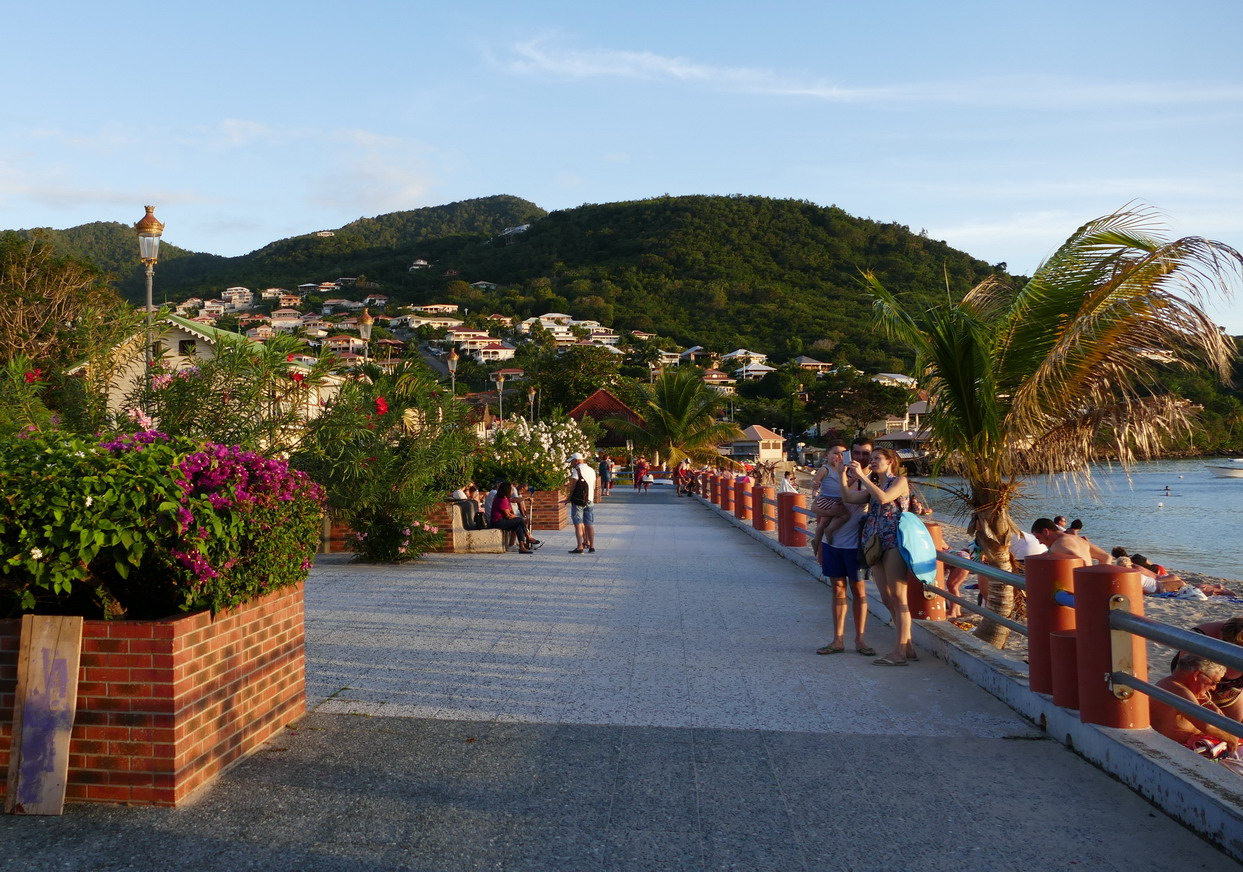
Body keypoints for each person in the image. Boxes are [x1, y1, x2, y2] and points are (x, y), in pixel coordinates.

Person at [843, 447, 915, 666]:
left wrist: (864, 476)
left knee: (898, 597)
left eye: (877, 458)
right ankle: (908, 645)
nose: (872, 462)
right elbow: (849, 498)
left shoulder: (899, 481)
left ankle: (900, 652)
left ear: (890, 461)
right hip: (875, 542)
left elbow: (884, 499)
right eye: (871, 458)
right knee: (885, 597)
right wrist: (841, 475)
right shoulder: (874, 484)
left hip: (893, 541)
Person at [815, 462, 874, 657]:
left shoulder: (874, 482)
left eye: (866, 454)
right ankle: (838, 639)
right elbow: (816, 505)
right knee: (837, 589)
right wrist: (832, 514)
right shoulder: (838, 480)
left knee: (858, 590)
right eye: (856, 453)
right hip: (832, 545)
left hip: (855, 547)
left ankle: (860, 639)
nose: (861, 457)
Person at [1150, 653, 1240, 760]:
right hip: (1176, 753)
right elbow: (1206, 726)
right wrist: (1231, 738)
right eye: (1213, 682)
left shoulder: (1178, 686)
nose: (1213, 688)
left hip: (1183, 747)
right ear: (1197, 675)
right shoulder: (1179, 691)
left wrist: (1210, 704)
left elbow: (1217, 713)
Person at [1173, 618, 1243, 720]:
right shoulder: (1201, 637)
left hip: (1230, 694)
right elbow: (1184, 679)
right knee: (1196, 726)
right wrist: (1209, 704)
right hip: (1192, 684)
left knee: (1234, 730)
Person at [807, 443, 852, 561]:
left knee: (825, 520)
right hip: (827, 498)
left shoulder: (845, 469)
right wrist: (815, 485)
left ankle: (816, 541)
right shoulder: (825, 469)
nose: (839, 456)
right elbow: (814, 481)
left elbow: (847, 484)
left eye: (843, 454)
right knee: (844, 515)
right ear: (827, 455)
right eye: (836, 453)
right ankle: (828, 531)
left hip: (837, 499)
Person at [1030, 518, 1113, 565]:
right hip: (1090, 585)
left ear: (1045, 532)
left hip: (1081, 589)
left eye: (1038, 538)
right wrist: (1100, 579)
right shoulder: (1078, 539)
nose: (1040, 542)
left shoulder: (1058, 545)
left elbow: (1082, 563)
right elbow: (1106, 557)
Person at [488, 480, 537, 553]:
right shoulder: (501, 500)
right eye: (511, 490)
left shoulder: (506, 498)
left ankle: (521, 546)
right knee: (520, 520)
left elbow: (513, 505)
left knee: (518, 526)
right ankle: (528, 537)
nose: (512, 491)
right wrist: (516, 517)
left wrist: (526, 499)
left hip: (502, 520)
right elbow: (508, 515)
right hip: (498, 521)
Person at [565, 452, 597, 553]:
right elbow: (594, 486)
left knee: (578, 523)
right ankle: (591, 546)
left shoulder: (577, 470)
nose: (571, 464)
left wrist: (568, 498)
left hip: (579, 501)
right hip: (590, 500)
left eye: (572, 462)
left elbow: (573, 486)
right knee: (589, 524)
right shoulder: (591, 470)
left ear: (576, 461)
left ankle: (580, 546)